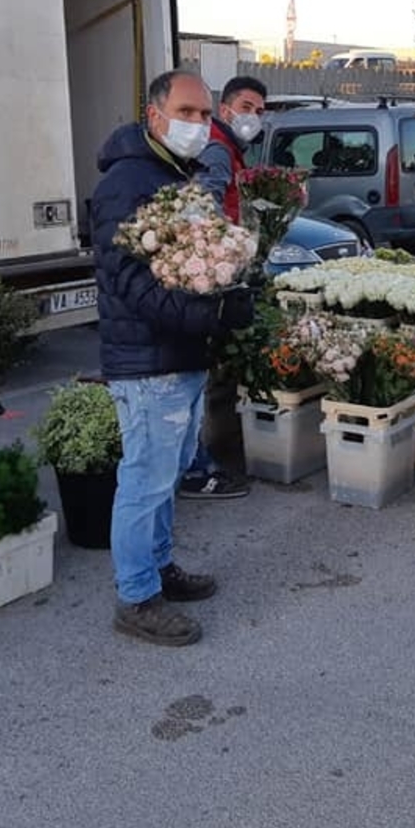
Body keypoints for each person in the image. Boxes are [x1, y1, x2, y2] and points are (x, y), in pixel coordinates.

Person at [90, 69, 258, 646]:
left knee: (165, 478)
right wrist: (208, 315)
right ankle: (137, 598)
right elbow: (130, 280)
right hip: (148, 359)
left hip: (179, 352)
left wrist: (225, 290)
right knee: (145, 479)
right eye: (186, 113)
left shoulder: (171, 171)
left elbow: (188, 262)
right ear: (154, 115)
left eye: (204, 114)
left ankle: (159, 569)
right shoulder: (128, 182)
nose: (198, 124)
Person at [175, 74, 271, 502]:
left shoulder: (227, 147)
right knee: (201, 373)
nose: (254, 117)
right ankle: (200, 465)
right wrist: (228, 252)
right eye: (247, 108)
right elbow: (205, 206)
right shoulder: (217, 148)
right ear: (228, 108)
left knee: (205, 372)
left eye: (261, 111)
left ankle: (205, 457)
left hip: (219, 272)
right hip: (214, 277)